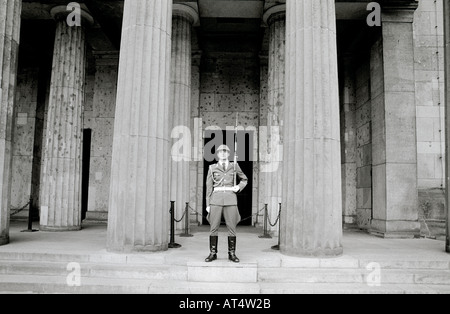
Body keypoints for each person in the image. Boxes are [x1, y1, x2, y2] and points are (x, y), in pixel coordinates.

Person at [205, 145, 248, 263]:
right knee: (213, 227)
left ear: (228, 154)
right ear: (217, 154)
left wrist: (238, 187)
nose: (223, 154)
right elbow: (209, 188)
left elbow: (244, 179)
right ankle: (213, 253)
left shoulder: (234, 166)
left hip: (230, 198)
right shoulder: (212, 168)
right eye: (220, 152)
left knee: (232, 227)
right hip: (216, 200)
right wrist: (208, 204)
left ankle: (232, 253)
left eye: (225, 152)